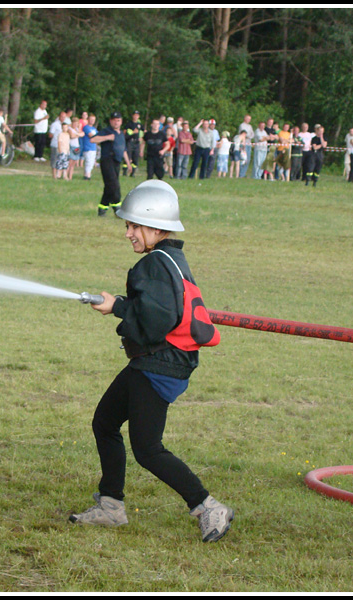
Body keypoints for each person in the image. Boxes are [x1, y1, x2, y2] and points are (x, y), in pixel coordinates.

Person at [70, 180, 234, 543]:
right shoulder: (168, 259)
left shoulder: (155, 264)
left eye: (134, 226)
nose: (128, 233)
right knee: (105, 421)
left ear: (157, 228)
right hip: (153, 364)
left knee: (147, 449)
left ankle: (208, 507)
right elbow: (159, 312)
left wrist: (117, 307)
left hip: (160, 367)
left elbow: (155, 321)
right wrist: (121, 307)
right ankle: (111, 505)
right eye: (127, 226)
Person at [90, 111, 129, 216]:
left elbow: (123, 149)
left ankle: (102, 208)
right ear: (110, 121)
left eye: (118, 120)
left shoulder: (121, 134)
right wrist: (107, 137)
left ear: (121, 122)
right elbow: (93, 140)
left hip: (117, 161)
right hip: (107, 160)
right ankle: (117, 207)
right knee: (114, 185)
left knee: (109, 186)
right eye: (114, 120)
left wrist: (128, 163)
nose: (116, 122)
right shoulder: (106, 131)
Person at [124, 110, 144, 177]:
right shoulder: (129, 124)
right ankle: (125, 171)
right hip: (130, 141)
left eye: (137, 115)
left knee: (135, 157)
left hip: (136, 142)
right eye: (134, 115)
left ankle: (133, 173)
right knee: (128, 156)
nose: (136, 116)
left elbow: (144, 131)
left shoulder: (139, 124)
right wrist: (133, 132)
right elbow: (125, 133)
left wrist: (142, 138)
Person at [81, 114, 99, 180]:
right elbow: (91, 136)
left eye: (93, 120)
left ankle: (87, 174)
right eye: (91, 119)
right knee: (88, 161)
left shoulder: (94, 129)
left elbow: (98, 136)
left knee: (91, 162)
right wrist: (97, 138)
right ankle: (87, 176)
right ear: (88, 120)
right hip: (88, 147)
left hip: (93, 147)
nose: (92, 121)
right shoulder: (86, 127)